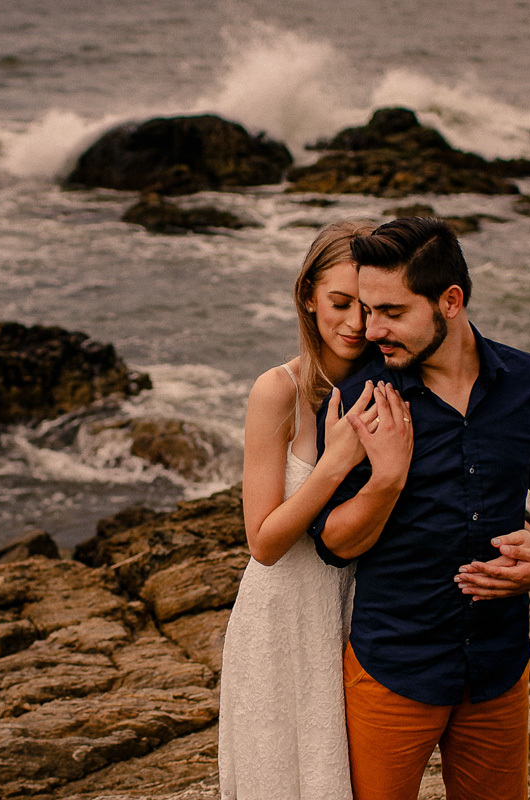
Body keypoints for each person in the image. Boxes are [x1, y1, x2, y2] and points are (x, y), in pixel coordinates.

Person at [308, 216, 530, 800]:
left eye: (392, 312)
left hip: (499, 668)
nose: (370, 328)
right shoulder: (360, 399)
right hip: (392, 672)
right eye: (365, 307)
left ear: (450, 301)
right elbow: (333, 544)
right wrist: (386, 479)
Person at [218, 219, 383, 800]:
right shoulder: (277, 392)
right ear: (308, 296)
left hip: (363, 613)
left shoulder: (395, 385)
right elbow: (262, 542)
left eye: (369, 306)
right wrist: (335, 462)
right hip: (284, 618)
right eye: (340, 303)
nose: (356, 324)